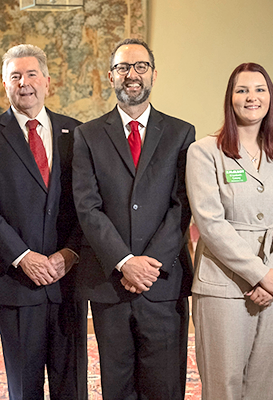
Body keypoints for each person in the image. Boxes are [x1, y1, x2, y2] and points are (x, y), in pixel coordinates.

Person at [72, 38, 195, 400]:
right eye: (123, 68)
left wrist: (149, 264)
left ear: (154, 74)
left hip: (163, 282)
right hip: (111, 282)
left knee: (165, 385)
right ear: (110, 76)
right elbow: (87, 206)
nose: (132, 75)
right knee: (118, 384)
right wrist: (125, 262)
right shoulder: (87, 135)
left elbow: (182, 204)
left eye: (140, 66)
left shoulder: (180, 133)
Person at [0, 44, 87, 400]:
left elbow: (89, 203)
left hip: (67, 279)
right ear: (5, 85)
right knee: (24, 385)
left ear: (47, 81)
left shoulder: (77, 133)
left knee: (71, 385)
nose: (24, 83)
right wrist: (23, 256)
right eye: (15, 76)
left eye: (31, 74)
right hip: (14, 280)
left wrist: (71, 253)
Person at [185, 63, 273, 399]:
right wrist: (259, 274)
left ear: (270, 98)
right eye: (242, 90)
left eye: (260, 89)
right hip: (223, 283)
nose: (252, 97)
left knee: (263, 383)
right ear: (230, 98)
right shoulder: (204, 151)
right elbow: (210, 223)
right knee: (225, 385)